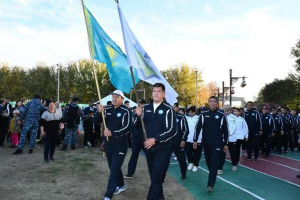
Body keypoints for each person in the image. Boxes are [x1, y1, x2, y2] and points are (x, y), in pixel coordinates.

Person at [135, 83, 177, 200]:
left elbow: (172, 130)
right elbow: (138, 126)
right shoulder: (146, 108)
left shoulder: (168, 109)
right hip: (148, 148)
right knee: (154, 177)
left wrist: (156, 139)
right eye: (154, 91)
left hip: (163, 149)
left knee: (157, 177)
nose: (156, 93)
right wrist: (138, 116)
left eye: (158, 91)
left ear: (163, 94)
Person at [96, 90, 132, 200]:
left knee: (113, 170)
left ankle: (108, 195)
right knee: (114, 168)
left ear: (122, 99)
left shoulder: (126, 111)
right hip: (109, 145)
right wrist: (99, 112)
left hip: (120, 146)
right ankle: (121, 185)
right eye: (113, 97)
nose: (114, 99)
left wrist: (113, 133)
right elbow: (97, 122)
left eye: (117, 97)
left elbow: (127, 128)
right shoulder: (107, 110)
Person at [194, 96, 229, 193]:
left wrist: (226, 143)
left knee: (214, 163)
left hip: (217, 143)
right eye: (211, 101)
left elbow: (226, 131)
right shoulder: (203, 115)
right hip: (206, 143)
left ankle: (210, 184)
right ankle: (213, 174)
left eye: (214, 102)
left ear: (217, 103)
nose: (213, 103)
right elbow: (198, 127)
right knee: (209, 163)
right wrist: (195, 140)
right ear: (208, 103)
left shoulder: (221, 115)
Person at [124, 99, 146, 179]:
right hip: (136, 139)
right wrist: (138, 115)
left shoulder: (148, 114)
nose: (140, 105)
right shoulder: (134, 115)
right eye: (139, 104)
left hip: (146, 139)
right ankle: (130, 173)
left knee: (150, 156)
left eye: (142, 104)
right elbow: (135, 125)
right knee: (134, 156)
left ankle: (155, 173)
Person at [172, 103, 188, 179]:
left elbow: (186, 130)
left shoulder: (181, 117)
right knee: (164, 160)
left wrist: (183, 140)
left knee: (182, 160)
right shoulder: (166, 116)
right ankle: (162, 175)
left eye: (174, 107)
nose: (172, 108)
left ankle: (183, 174)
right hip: (168, 142)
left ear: (177, 108)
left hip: (179, 142)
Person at [219, 105, 237, 173]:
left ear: (230, 111)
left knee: (233, 153)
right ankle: (220, 168)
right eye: (225, 111)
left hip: (231, 138)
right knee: (222, 153)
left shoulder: (233, 117)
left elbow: (235, 127)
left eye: (227, 111)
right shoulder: (222, 117)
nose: (226, 112)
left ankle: (234, 164)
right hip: (223, 138)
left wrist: (229, 133)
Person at [185, 106, 201, 172]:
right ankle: (191, 162)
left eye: (192, 112)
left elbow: (201, 129)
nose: (191, 113)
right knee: (188, 152)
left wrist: (201, 137)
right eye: (190, 112)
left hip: (197, 139)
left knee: (197, 153)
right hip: (188, 139)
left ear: (195, 112)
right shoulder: (186, 118)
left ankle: (196, 165)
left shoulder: (198, 118)